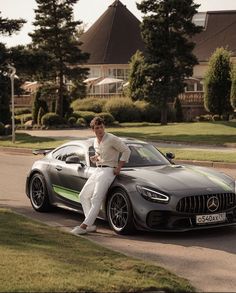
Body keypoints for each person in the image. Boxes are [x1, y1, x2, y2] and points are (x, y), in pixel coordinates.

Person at [71, 116, 131, 235]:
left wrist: (119, 167)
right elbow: (100, 153)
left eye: (102, 127)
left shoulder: (112, 138)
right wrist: (96, 158)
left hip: (108, 171)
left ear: (104, 127)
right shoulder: (94, 141)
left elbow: (126, 150)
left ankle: (84, 226)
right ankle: (90, 225)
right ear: (93, 129)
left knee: (96, 199)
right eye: (97, 128)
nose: (100, 130)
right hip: (98, 169)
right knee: (83, 195)